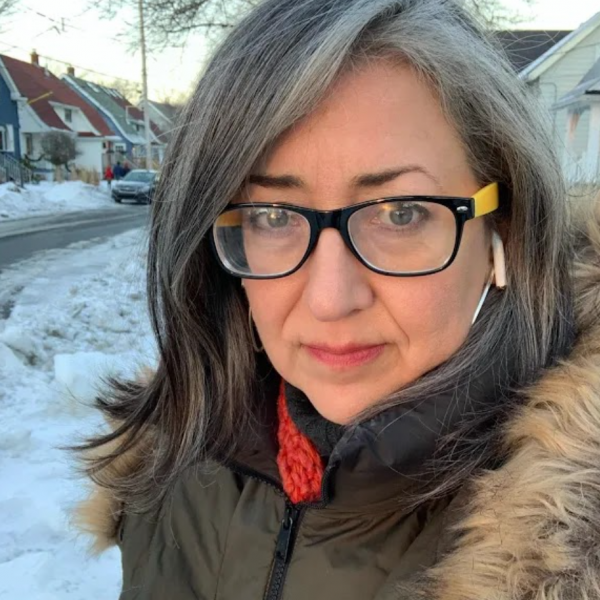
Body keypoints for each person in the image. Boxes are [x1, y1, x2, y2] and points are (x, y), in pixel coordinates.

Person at [74, 0, 600, 598]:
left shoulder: (574, 538)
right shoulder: (172, 466)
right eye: (273, 216)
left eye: (400, 214)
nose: (329, 300)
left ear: (500, 228)